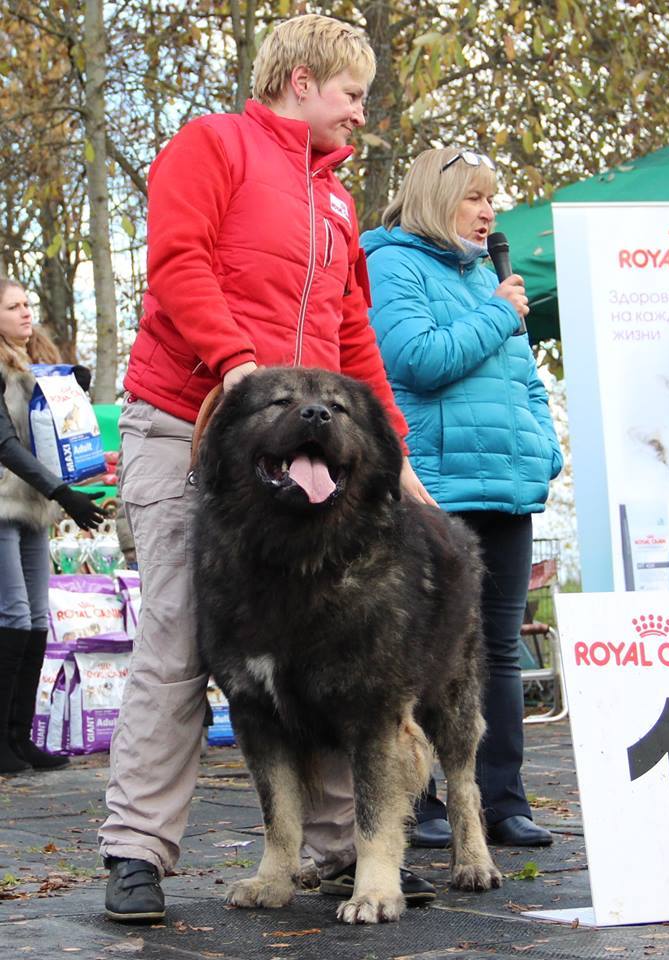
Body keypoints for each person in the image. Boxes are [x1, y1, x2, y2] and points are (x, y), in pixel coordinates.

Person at [97, 14, 435, 923]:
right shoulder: (212, 145)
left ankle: (336, 849)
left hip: (307, 452)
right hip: (187, 421)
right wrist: (236, 363)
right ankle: (136, 850)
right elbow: (177, 263)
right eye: (352, 95)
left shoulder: (335, 202)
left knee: (326, 643)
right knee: (179, 634)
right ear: (299, 81)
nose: (362, 114)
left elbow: (352, 335)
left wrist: (392, 454)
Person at [361, 147, 563, 848]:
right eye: (475, 198)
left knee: (500, 651)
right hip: (436, 489)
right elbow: (414, 358)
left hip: (507, 486)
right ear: (433, 197)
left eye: (492, 201)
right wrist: (498, 314)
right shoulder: (391, 263)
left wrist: (544, 448)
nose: (488, 213)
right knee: (421, 649)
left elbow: (523, 382)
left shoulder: (491, 281)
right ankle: (417, 803)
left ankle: (501, 802)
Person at [0, 278, 105, 775]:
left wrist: (71, 391)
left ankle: (20, 739)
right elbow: (4, 444)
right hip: (3, 505)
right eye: (13, 306)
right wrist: (64, 492)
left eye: (27, 304)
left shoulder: (40, 365)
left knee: (39, 618)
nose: (25, 313)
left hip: (35, 506)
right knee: (14, 616)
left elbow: (56, 433)